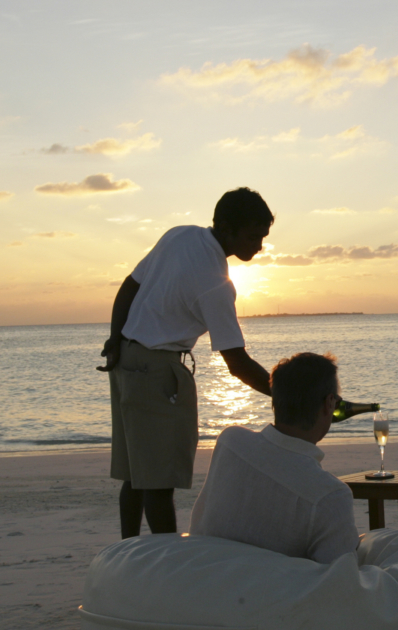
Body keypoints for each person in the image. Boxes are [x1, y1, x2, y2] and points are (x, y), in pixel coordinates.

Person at [98, 187, 276, 538]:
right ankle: (167, 568)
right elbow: (237, 363)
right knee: (158, 484)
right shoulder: (215, 283)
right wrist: (285, 395)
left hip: (128, 362)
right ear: (225, 227)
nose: (259, 245)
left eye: (263, 237)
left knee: (136, 477)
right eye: (253, 235)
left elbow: (130, 286)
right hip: (155, 371)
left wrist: (116, 339)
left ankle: (127, 558)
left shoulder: (179, 236)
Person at [189, 352, 360, 563]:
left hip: (201, 573)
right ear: (329, 403)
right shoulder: (329, 496)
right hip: (266, 594)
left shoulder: (230, 443)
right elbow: (341, 578)